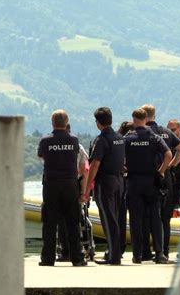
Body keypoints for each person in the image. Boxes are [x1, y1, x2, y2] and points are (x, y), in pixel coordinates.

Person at [37, 109, 86, 267]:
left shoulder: (45, 140)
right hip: (70, 183)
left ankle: (48, 258)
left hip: (51, 183)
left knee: (50, 222)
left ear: (52, 123)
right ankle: (77, 258)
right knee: (73, 221)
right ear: (67, 123)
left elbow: (41, 157)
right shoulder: (74, 140)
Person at [125, 108, 172, 264]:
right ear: (146, 119)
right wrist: (161, 171)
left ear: (133, 119)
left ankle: (137, 254)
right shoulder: (154, 137)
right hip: (151, 181)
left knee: (135, 219)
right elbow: (168, 154)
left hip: (133, 182)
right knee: (155, 218)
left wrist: (124, 168)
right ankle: (159, 253)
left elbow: (119, 156)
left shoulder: (128, 138)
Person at [141, 104, 180, 260]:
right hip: (165, 178)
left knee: (145, 215)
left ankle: (145, 251)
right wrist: (170, 166)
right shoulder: (166, 132)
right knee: (164, 217)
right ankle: (164, 252)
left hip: (146, 177)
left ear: (143, 116)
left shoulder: (141, 133)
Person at [81, 107, 125, 265]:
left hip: (105, 182)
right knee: (115, 217)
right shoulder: (119, 137)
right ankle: (115, 252)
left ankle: (113, 256)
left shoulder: (102, 140)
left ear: (98, 123)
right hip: (119, 181)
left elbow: (94, 166)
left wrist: (86, 189)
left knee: (108, 219)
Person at [56, 123, 90, 261]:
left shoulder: (50, 145)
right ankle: (77, 251)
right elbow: (84, 171)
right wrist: (84, 192)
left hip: (55, 184)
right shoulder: (78, 147)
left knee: (60, 220)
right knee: (74, 220)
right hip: (72, 184)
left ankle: (65, 251)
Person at [117, 121, 134, 255]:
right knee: (137, 216)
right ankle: (138, 249)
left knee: (120, 216)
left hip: (120, 181)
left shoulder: (120, 142)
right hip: (134, 180)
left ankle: (119, 246)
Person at [167, 119, 180, 226]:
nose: (171, 132)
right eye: (168, 130)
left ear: (179, 129)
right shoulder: (166, 145)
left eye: (173, 130)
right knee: (165, 215)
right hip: (170, 185)